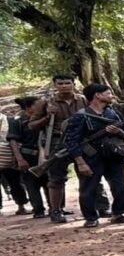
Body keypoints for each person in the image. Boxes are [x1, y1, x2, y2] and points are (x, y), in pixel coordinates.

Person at [28, 73, 109, 223]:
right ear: (55, 85)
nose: (64, 86)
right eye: (60, 83)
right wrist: (48, 116)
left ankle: (101, 207)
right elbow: (32, 125)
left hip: (83, 142)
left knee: (91, 175)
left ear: (74, 84)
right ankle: (56, 211)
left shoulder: (85, 100)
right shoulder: (45, 103)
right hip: (57, 143)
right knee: (56, 179)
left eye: (67, 83)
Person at [65, 83, 124, 227]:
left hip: (114, 155)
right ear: (97, 95)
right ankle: (91, 218)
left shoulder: (114, 113)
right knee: (88, 189)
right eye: (108, 93)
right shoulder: (80, 116)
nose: (111, 95)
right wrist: (80, 162)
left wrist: (118, 132)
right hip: (90, 157)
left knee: (120, 186)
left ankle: (119, 213)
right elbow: (72, 141)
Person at [7, 96, 49, 218]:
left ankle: (55, 208)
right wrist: (20, 159)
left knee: (49, 182)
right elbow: (13, 141)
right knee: (32, 184)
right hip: (28, 156)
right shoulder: (17, 121)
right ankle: (38, 210)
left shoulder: (44, 119)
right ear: (29, 107)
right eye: (39, 105)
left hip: (45, 155)